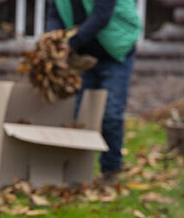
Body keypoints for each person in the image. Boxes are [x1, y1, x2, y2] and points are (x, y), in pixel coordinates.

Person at [45, 0, 142, 183]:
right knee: (79, 112)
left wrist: (71, 43)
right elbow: (54, 15)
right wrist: (54, 40)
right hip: (83, 52)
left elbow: (101, 16)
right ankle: (76, 172)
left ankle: (111, 169)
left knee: (111, 114)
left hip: (114, 51)